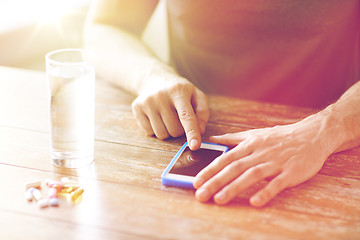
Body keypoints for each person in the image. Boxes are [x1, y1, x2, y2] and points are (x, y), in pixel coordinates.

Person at [84, 0, 360, 207]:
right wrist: (150, 75)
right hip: (191, 135)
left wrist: (326, 129)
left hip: (330, 148)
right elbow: (105, 26)